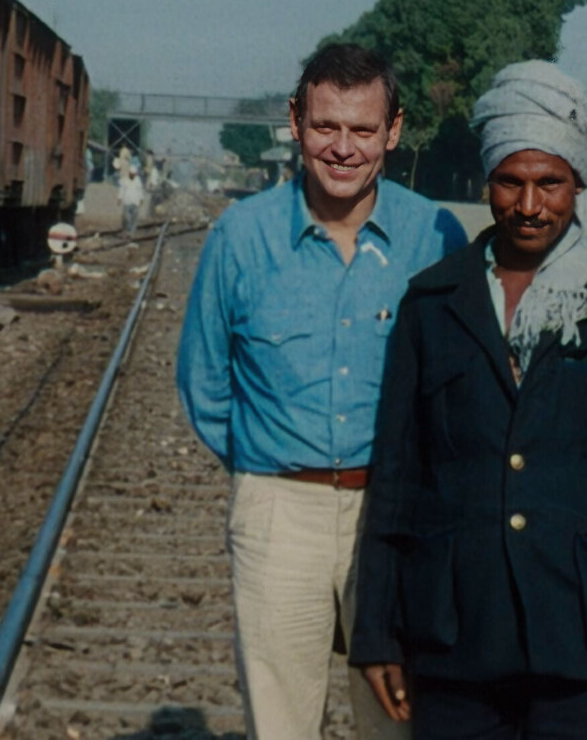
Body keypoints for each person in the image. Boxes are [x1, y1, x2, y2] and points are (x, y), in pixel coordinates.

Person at [349, 60, 587, 740]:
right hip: (456, 633)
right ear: (489, 183)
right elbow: (397, 478)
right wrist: (377, 635)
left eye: (551, 184)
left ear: (579, 186)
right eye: (511, 182)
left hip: (583, 635)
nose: (530, 204)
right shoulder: (434, 302)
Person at [177, 43, 468, 739]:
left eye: (363, 131)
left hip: (398, 519)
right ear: (295, 122)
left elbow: (461, 385)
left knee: (400, 721)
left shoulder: (435, 236)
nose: (343, 148)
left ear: (393, 131)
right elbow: (205, 383)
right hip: (281, 508)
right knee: (281, 725)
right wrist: (266, 469)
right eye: (325, 127)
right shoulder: (240, 238)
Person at [117, 162, 146, 234]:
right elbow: (121, 189)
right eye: (131, 174)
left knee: (134, 218)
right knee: (126, 217)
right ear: (129, 173)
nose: (133, 175)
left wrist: (141, 199)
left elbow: (140, 190)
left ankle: (131, 232)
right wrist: (119, 198)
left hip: (135, 202)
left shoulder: (138, 180)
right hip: (127, 201)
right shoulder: (125, 180)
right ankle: (126, 230)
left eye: (134, 174)